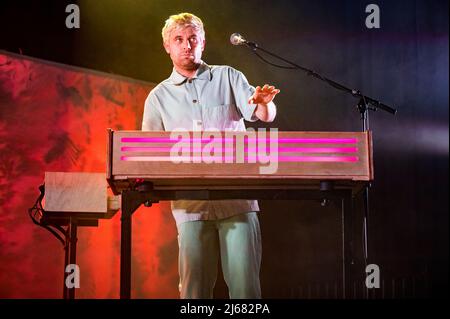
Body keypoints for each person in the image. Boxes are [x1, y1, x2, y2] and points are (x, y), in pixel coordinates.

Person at [142, 12, 280, 299]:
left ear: (202, 42)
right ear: (167, 45)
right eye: (178, 39)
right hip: (190, 207)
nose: (186, 45)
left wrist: (265, 104)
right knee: (194, 292)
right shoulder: (158, 97)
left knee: (246, 290)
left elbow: (263, 115)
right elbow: (148, 152)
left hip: (237, 201)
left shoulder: (229, 76)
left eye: (192, 39)